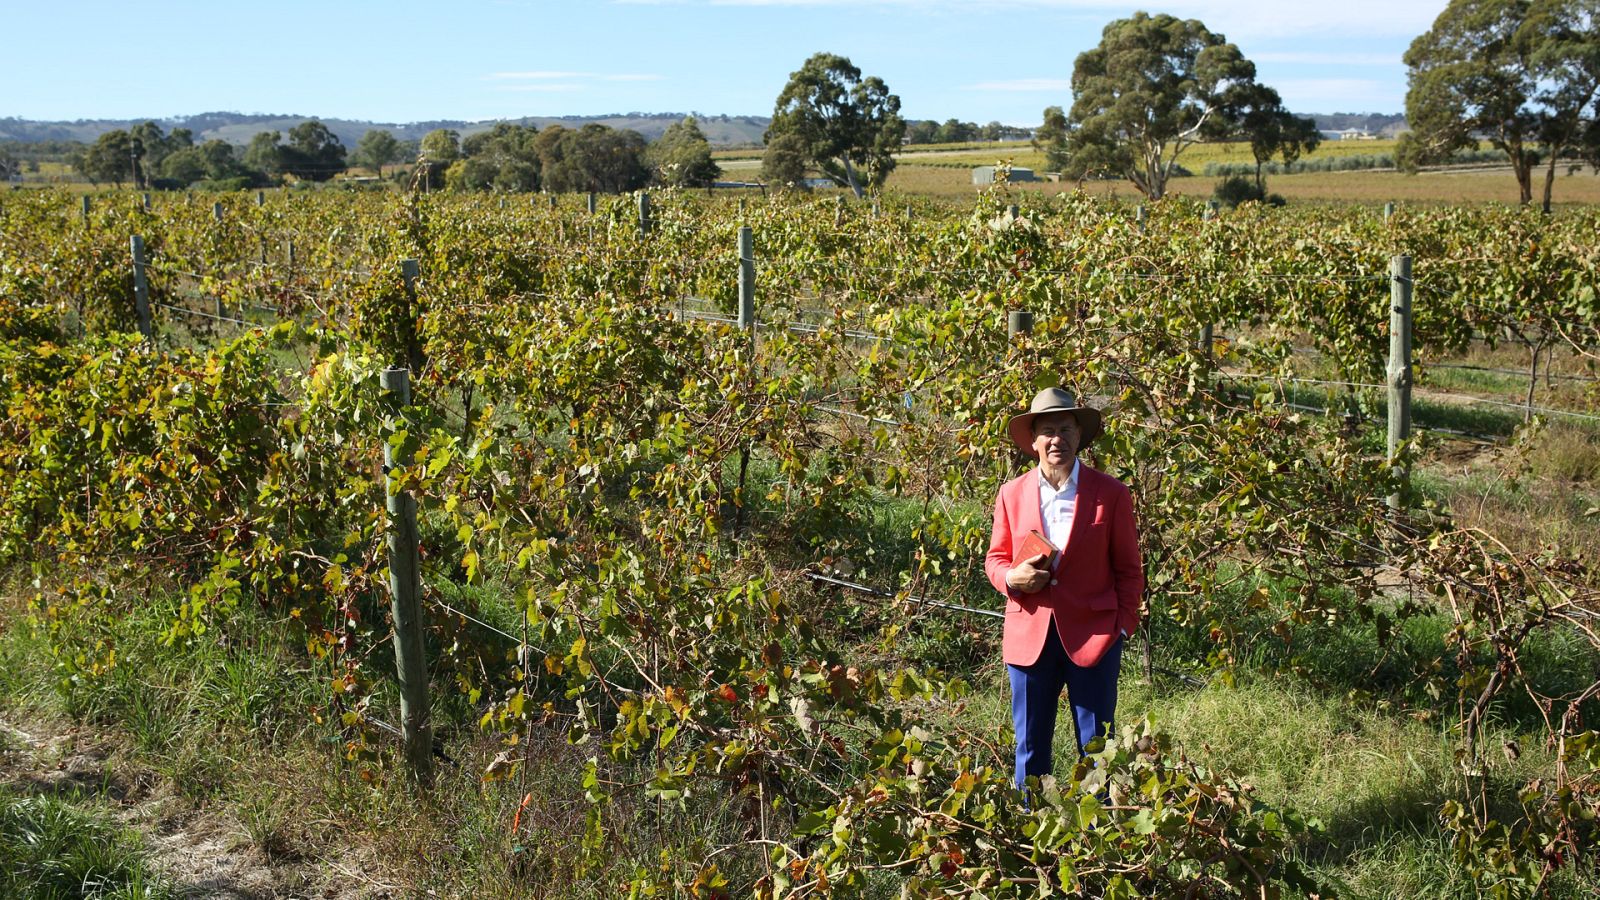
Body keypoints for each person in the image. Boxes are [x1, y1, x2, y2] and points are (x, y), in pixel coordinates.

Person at [985, 387, 1144, 790]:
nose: (1057, 439)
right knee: (1031, 747)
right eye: (1048, 431)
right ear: (1034, 442)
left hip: (1095, 638)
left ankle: (1097, 839)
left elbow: (1129, 570)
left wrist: (1123, 627)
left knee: (1097, 750)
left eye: (1066, 429)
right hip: (1029, 636)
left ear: (1079, 436)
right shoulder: (1011, 494)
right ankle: (1030, 839)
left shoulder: (1111, 494)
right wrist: (1010, 579)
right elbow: (995, 559)